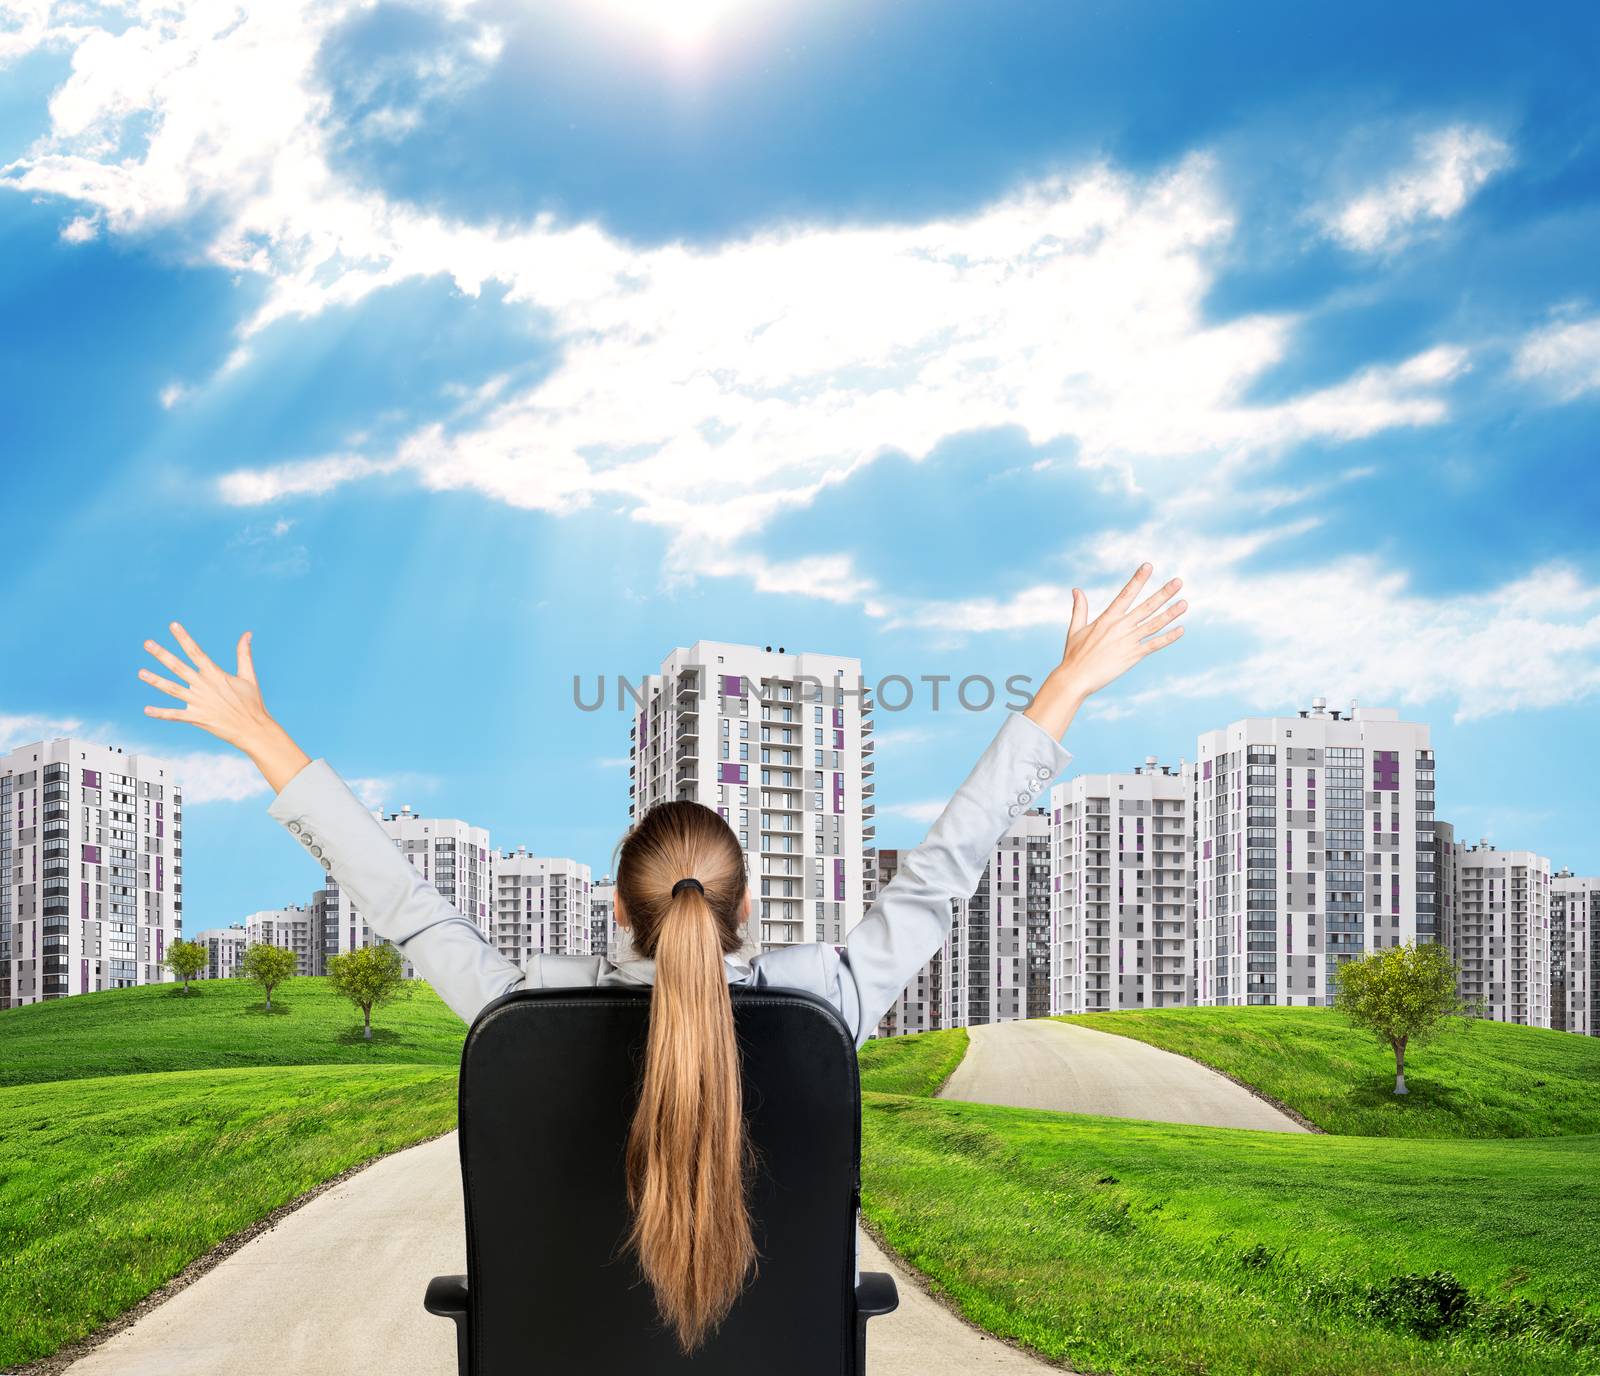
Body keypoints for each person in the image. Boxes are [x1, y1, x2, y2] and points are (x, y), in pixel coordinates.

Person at [136, 561, 1185, 1354]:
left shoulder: (521, 1014)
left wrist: (261, 733)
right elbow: (945, 868)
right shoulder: (827, 1000)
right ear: (742, 910)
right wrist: (1066, 684)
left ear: (617, 905)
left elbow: (402, 902)